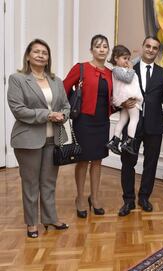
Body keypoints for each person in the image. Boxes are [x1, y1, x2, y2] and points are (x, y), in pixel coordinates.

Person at [7, 39, 70, 238]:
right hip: (28, 140)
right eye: (36, 51)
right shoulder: (17, 79)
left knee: (49, 182)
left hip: (54, 139)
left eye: (45, 52)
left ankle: (50, 218)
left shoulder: (56, 80)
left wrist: (63, 115)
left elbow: (66, 106)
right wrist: (48, 115)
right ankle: (32, 223)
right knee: (31, 183)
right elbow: (18, 110)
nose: (41, 55)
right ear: (28, 55)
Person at [118, 36, 163, 216]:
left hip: (154, 126)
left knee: (151, 164)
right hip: (133, 123)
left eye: (154, 48)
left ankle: (144, 197)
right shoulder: (129, 70)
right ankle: (128, 200)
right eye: (148, 46)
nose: (150, 50)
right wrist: (122, 103)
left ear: (158, 51)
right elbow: (118, 91)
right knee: (128, 162)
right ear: (142, 47)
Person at [63, 34, 113, 218]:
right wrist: (64, 110)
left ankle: (95, 196)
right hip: (83, 120)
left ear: (108, 50)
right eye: (98, 46)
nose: (101, 49)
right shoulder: (81, 68)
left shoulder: (110, 73)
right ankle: (80, 198)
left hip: (102, 121)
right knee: (83, 160)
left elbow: (112, 98)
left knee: (98, 160)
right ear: (91, 50)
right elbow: (64, 87)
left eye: (105, 46)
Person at [106, 45, 143, 155]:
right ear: (116, 58)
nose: (127, 61)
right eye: (124, 58)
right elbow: (127, 79)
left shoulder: (122, 68)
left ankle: (114, 141)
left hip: (125, 100)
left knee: (122, 120)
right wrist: (131, 68)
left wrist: (140, 54)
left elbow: (135, 61)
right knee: (134, 119)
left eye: (128, 58)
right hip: (130, 98)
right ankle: (129, 142)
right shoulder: (117, 70)